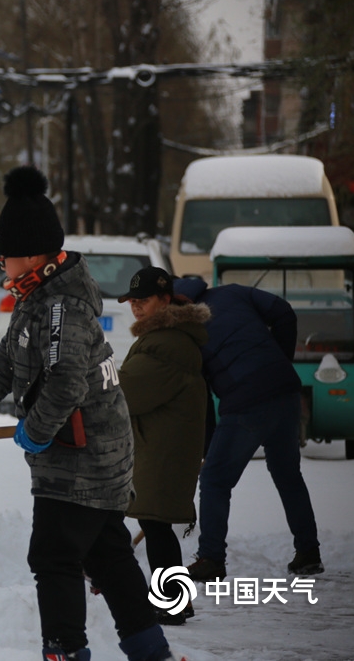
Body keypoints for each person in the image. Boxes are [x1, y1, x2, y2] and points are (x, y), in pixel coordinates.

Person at [0, 166, 185, 661]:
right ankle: (151, 651)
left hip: (82, 457)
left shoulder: (63, 305)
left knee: (53, 556)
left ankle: (65, 652)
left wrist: (38, 429)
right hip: (88, 453)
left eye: (4, 254)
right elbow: (5, 366)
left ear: (32, 254)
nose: (1, 263)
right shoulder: (35, 298)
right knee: (106, 553)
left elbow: (67, 382)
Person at [174, 276, 324, 580]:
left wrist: (209, 449)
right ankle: (308, 552)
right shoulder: (233, 292)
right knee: (288, 475)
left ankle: (211, 559)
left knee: (214, 480)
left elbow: (202, 394)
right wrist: (280, 362)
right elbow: (284, 312)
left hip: (246, 402)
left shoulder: (184, 327)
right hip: (285, 392)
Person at [116, 266, 211, 625]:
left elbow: (129, 392)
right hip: (160, 442)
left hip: (164, 447)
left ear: (165, 299)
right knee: (155, 523)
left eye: (143, 300)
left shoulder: (167, 342)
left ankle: (172, 603)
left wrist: (95, 388)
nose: (136, 307)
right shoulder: (164, 337)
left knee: (155, 524)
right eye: (132, 301)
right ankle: (173, 601)